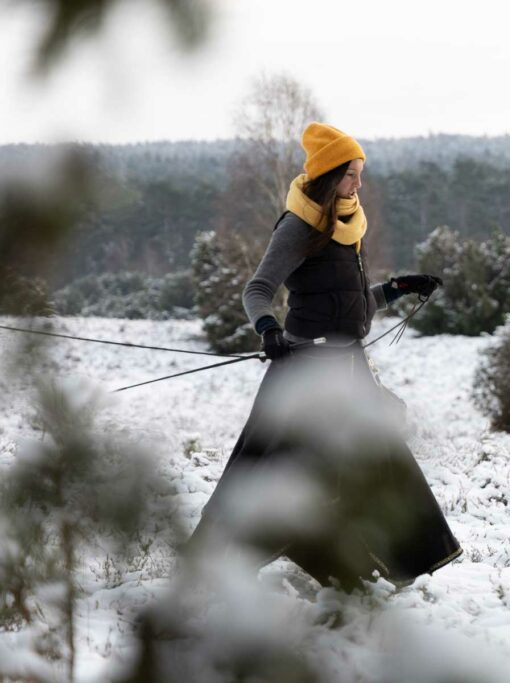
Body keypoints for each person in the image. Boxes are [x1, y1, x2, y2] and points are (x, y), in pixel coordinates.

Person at [185, 122, 462, 590]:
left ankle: (375, 567)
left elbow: (348, 302)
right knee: (278, 475)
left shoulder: (350, 225)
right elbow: (258, 290)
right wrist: (268, 328)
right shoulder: (298, 225)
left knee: (380, 465)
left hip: (349, 371)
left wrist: (397, 288)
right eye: (351, 174)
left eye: (360, 174)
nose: (359, 184)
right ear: (329, 176)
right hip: (306, 373)